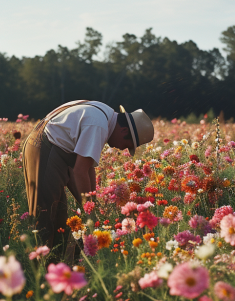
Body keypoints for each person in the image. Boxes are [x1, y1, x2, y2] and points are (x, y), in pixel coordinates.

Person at [22, 100, 154, 261]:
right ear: (124, 130)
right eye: (127, 145)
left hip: (58, 149)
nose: (122, 149)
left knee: (60, 217)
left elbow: (88, 167)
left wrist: (92, 205)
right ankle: (36, 271)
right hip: (45, 147)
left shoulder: (104, 115)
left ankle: (57, 265)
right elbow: (80, 171)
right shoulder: (98, 125)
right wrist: (90, 211)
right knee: (45, 214)